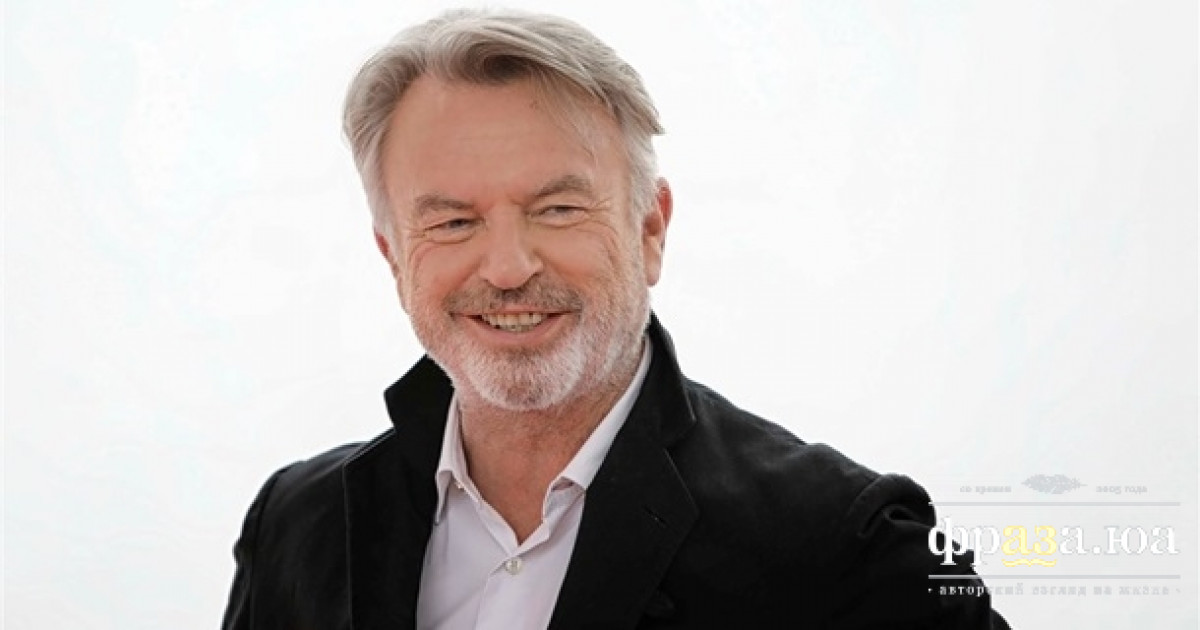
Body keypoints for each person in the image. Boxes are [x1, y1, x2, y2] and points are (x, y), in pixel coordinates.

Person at [222, 8, 1010, 629]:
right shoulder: (295, 523)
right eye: (454, 222)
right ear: (394, 258)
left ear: (650, 229)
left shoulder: (850, 551)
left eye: (558, 209)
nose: (508, 267)